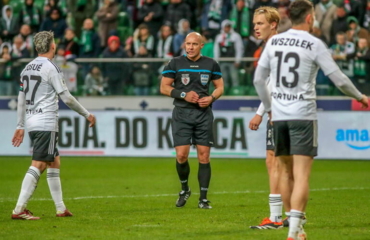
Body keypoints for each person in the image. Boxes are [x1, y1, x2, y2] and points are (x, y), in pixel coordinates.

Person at [253, 1, 369, 239]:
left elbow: (258, 80)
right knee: (302, 174)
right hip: (303, 116)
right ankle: (294, 230)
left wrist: (270, 109)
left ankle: (289, 223)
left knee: (283, 171)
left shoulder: (274, 41)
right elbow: (338, 79)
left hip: (280, 116)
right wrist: (361, 96)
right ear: (309, 18)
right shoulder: (314, 44)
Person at [11, 31, 96, 220]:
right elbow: (66, 97)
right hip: (45, 121)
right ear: (52, 46)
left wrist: (20, 125)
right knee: (39, 164)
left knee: (54, 161)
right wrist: (87, 114)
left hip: (33, 121)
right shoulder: (51, 68)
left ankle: (60, 208)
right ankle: (19, 209)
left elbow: (21, 98)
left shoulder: (26, 68)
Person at [160, 32, 224, 209]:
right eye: (187, 44)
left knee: (204, 156)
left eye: (194, 44)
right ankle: (184, 189)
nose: (190, 47)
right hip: (182, 114)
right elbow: (164, 87)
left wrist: (211, 98)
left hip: (203, 115)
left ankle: (203, 199)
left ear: (201, 45)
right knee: (181, 155)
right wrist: (183, 95)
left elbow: (220, 87)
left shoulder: (211, 64)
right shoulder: (175, 63)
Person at [248, 6, 285, 230]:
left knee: (278, 163)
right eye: (254, 25)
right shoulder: (275, 44)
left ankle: (279, 217)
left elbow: (270, 83)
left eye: (260, 23)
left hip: (280, 111)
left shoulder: (276, 45)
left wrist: (261, 112)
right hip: (281, 109)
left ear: (273, 24)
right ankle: (283, 215)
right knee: (273, 161)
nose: (256, 28)